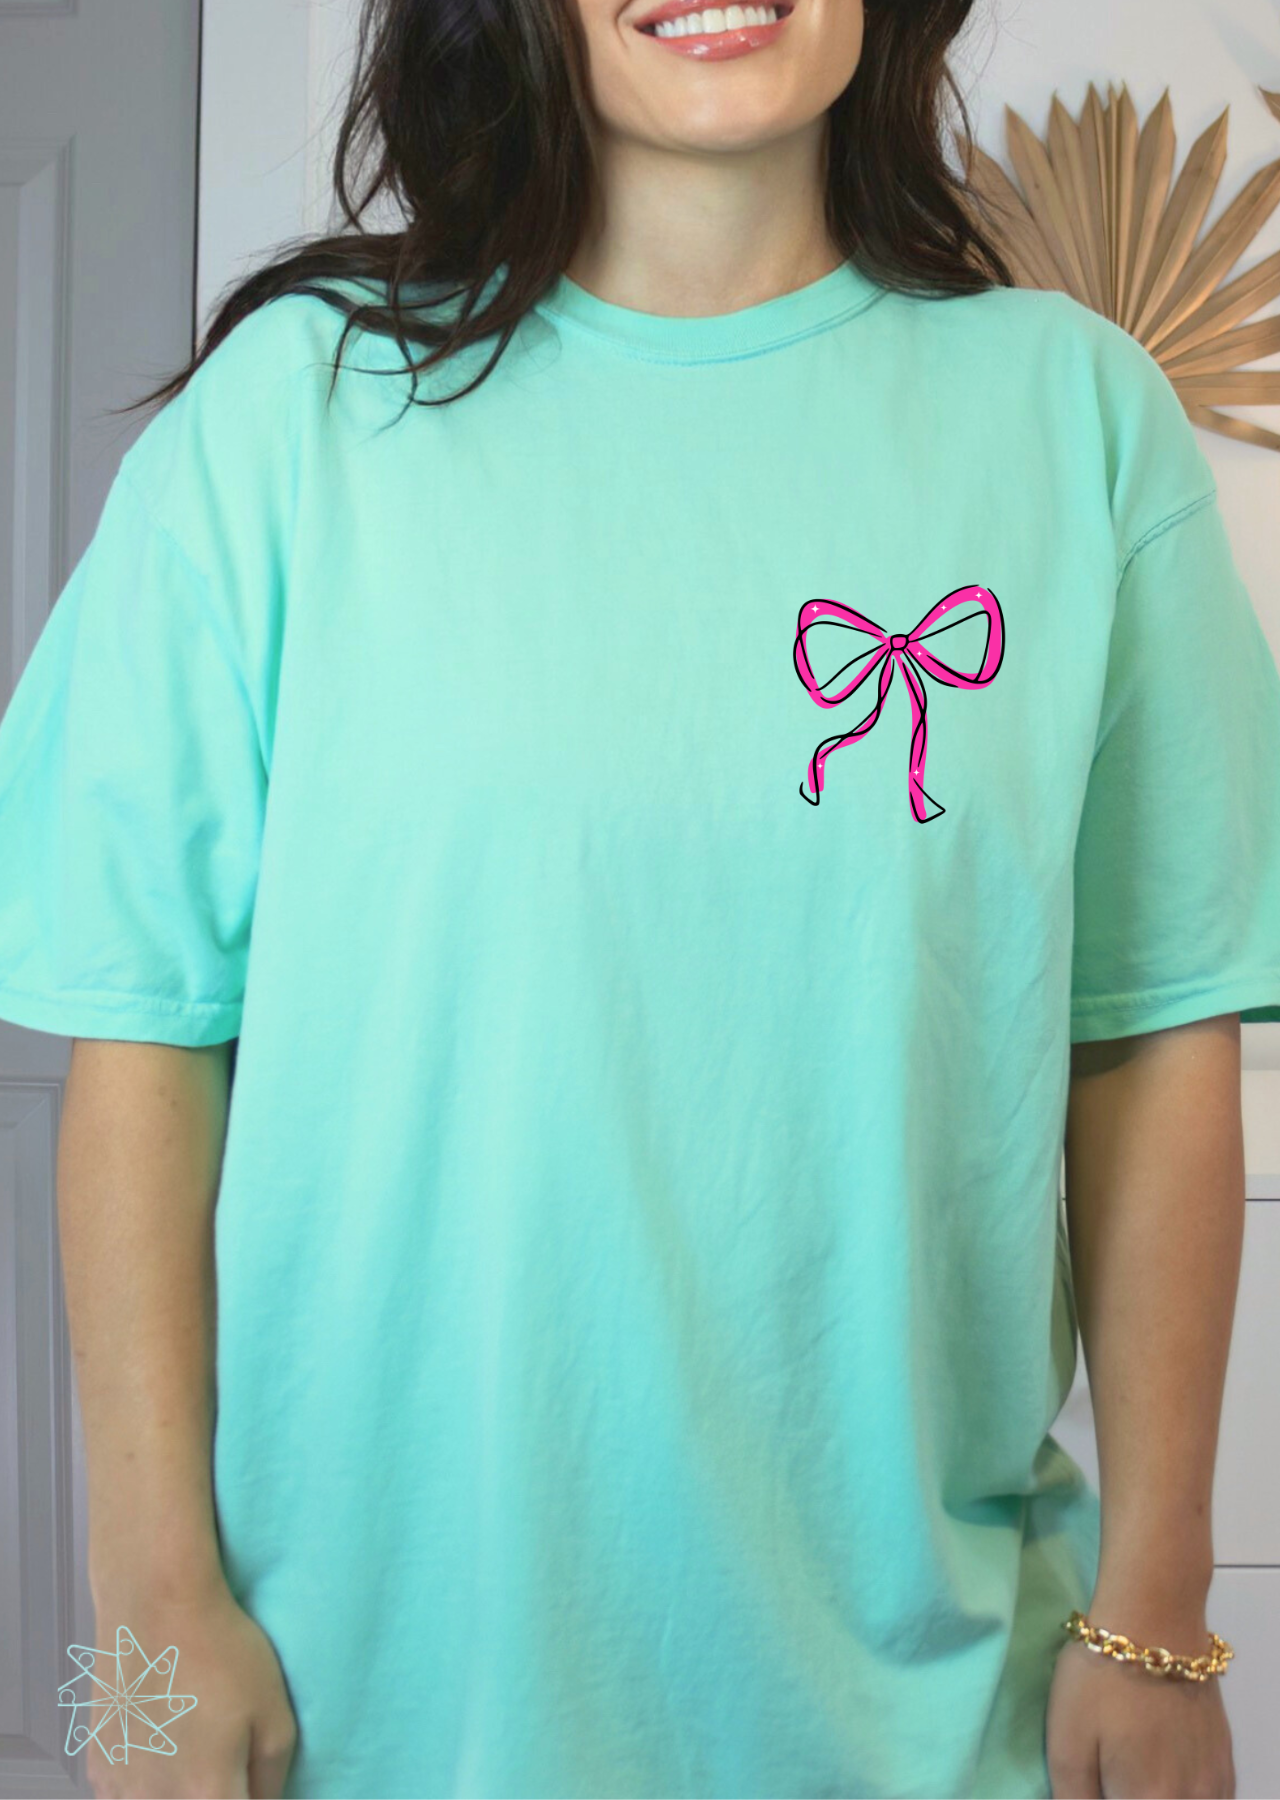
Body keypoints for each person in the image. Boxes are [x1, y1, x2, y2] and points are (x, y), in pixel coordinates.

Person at [0, 0, 1276, 1794]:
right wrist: (141, 1637)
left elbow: (1150, 1043)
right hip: (362, 1703)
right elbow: (146, 1043)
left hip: (938, 1713)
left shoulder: (1079, 419)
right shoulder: (284, 422)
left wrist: (1158, 1618)